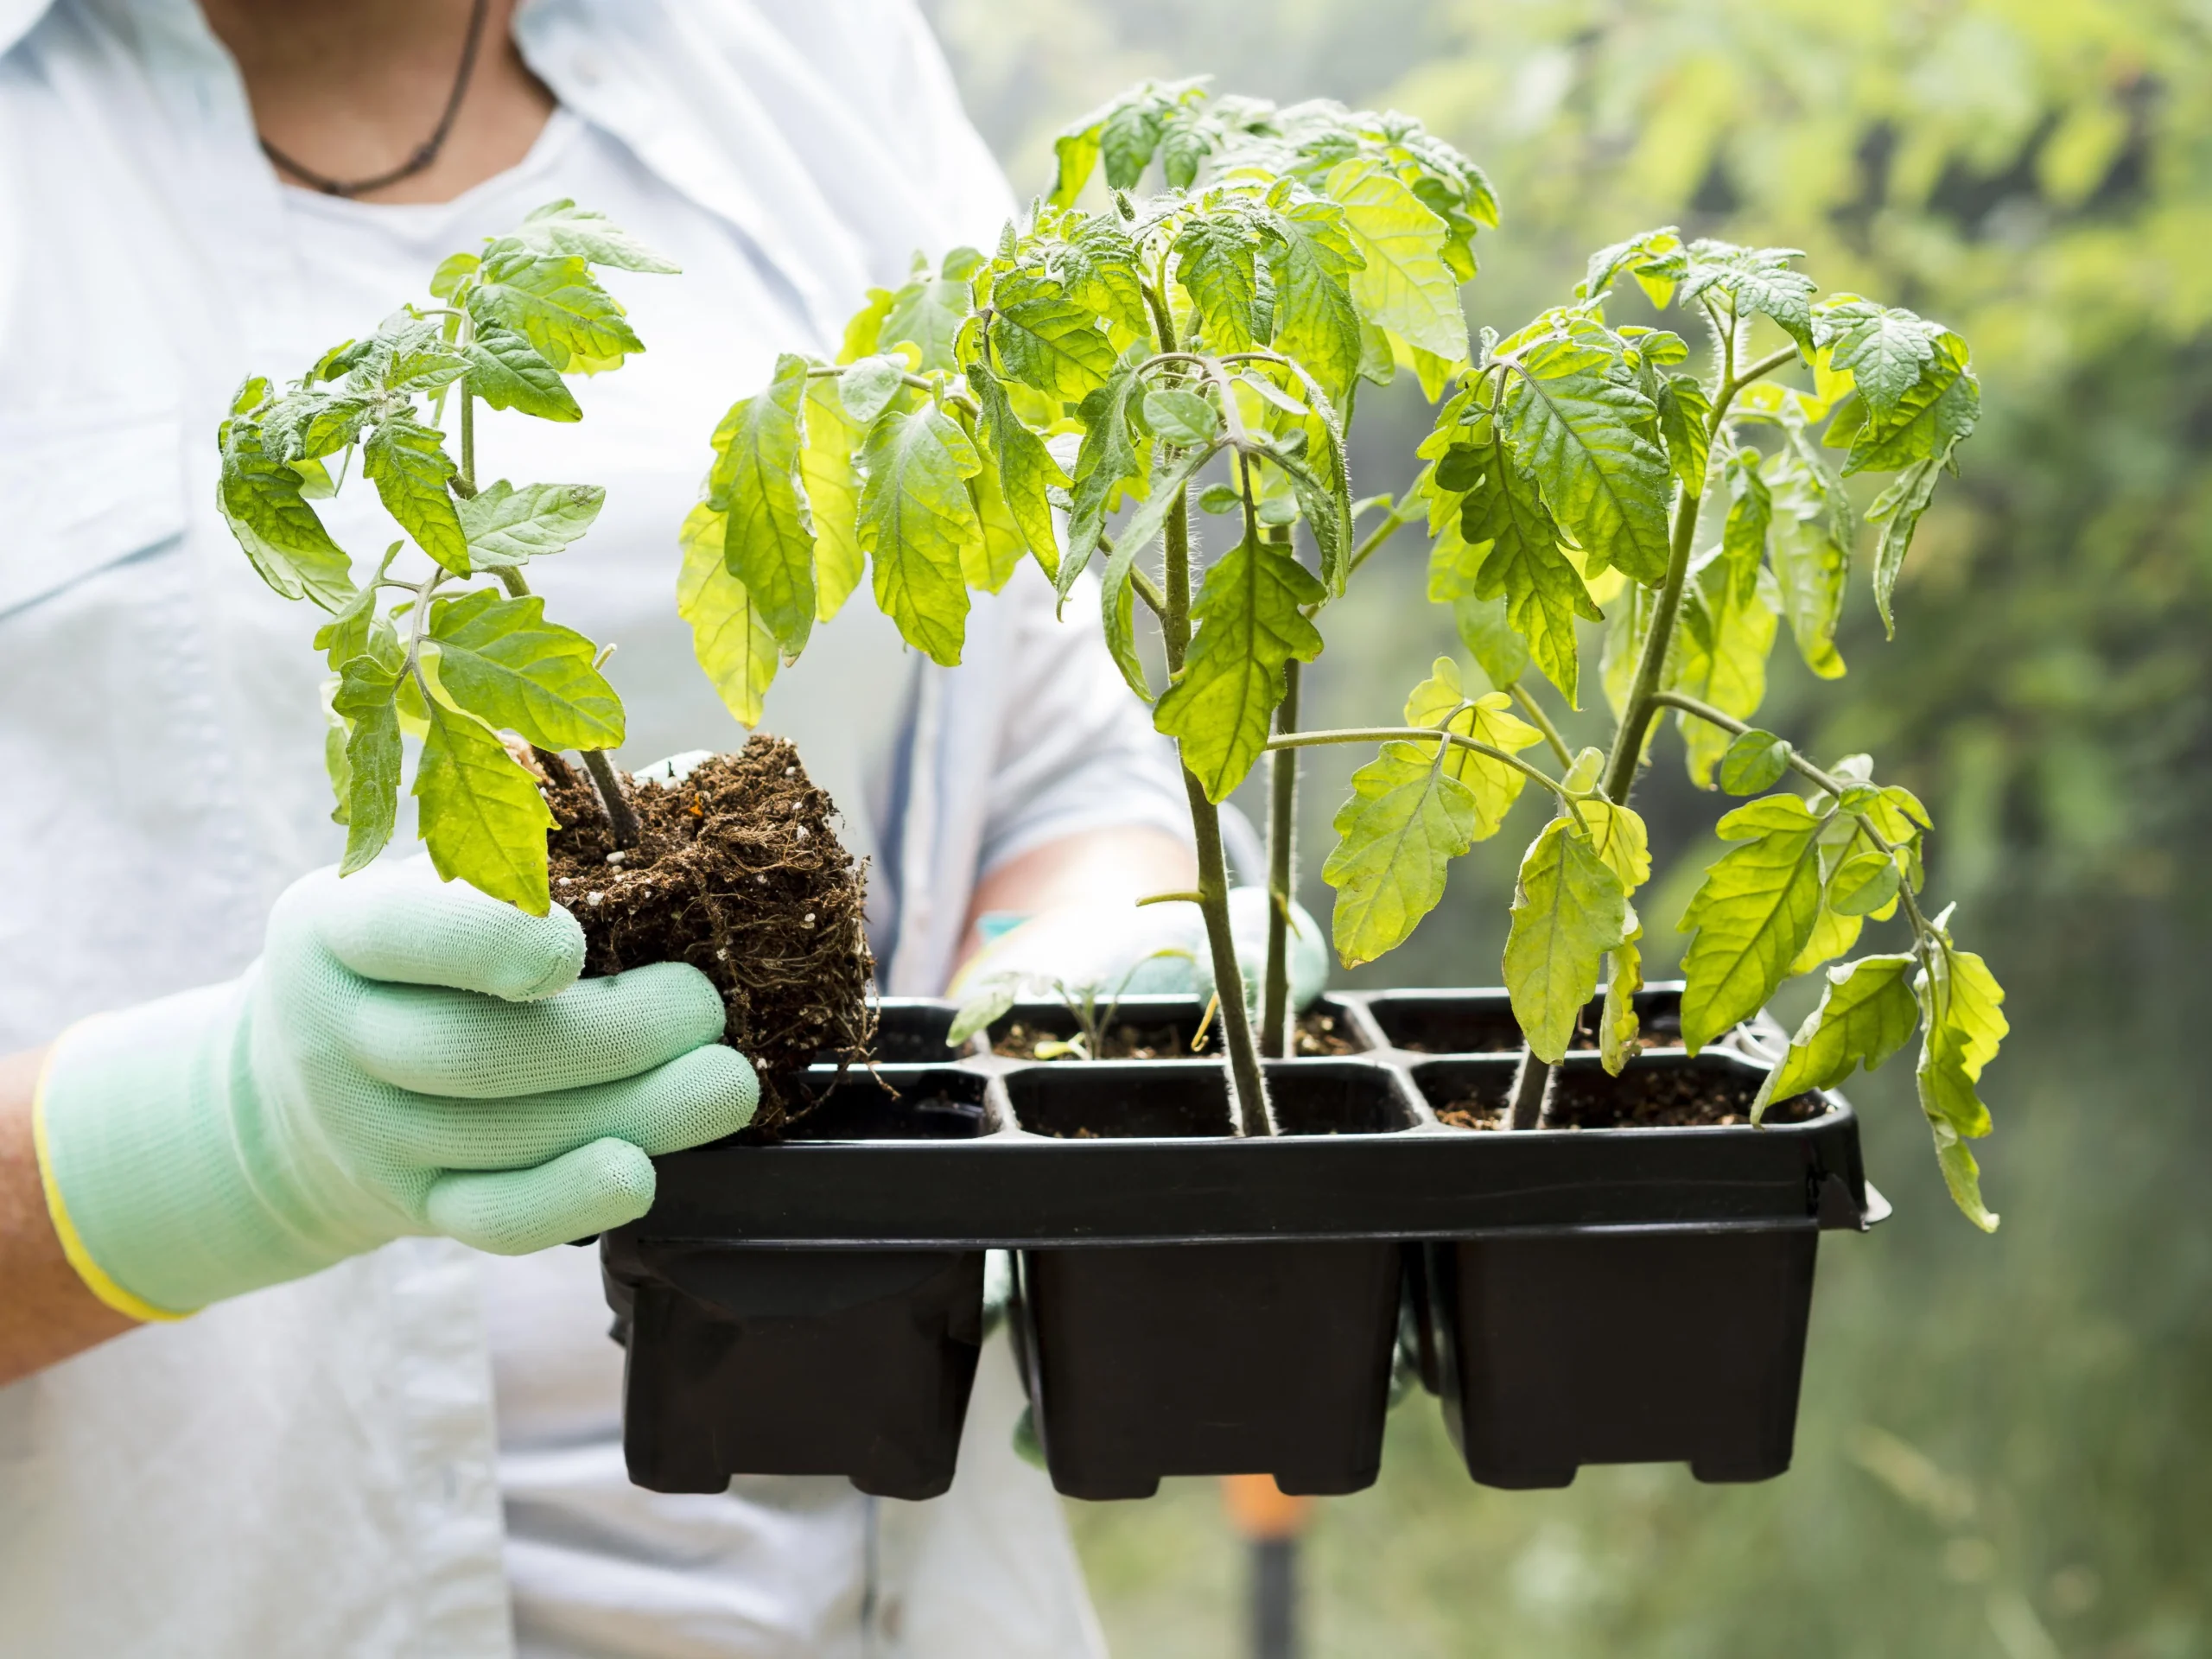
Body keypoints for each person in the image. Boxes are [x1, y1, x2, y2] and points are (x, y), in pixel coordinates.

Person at [0, 1, 1307, 1651]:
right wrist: (222, 1142)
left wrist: (1086, 971)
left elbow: (1050, 728)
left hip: (889, 1579)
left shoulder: (803, 52)